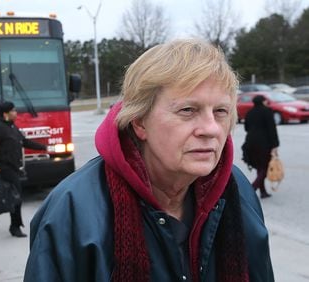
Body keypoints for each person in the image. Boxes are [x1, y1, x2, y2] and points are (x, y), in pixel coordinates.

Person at [24, 39, 274, 281]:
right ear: (140, 122)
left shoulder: (237, 190)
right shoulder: (72, 210)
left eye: (220, 111)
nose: (211, 129)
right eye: (188, 110)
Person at [0, 101, 47, 238]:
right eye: (13, 111)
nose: (16, 113)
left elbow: (24, 142)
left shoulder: (12, 127)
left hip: (14, 167)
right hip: (4, 168)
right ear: (5, 114)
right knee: (16, 197)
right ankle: (15, 226)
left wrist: (42, 147)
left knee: (9, 196)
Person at [242, 95, 279, 199]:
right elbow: (272, 129)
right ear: (263, 102)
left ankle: (263, 192)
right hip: (264, 143)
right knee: (265, 167)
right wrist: (275, 145)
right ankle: (251, 189)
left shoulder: (250, 112)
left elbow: (246, 127)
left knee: (259, 167)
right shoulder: (267, 111)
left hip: (250, 142)